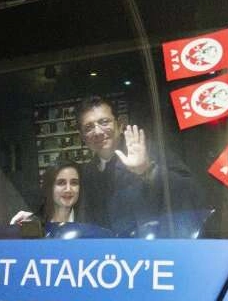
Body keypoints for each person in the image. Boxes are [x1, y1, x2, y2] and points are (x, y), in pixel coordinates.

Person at [76, 95, 197, 236]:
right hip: (108, 248)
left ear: (120, 124)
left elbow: (189, 189)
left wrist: (147, 170)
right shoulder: (87, 172)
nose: (97, 132)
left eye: (104, 122)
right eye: (88, 127)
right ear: (82, 137)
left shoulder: (148, 151)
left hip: (152, 243)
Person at [10, 160, 83, 224]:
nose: (68, 189)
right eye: (61, 183)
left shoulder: (87, 222)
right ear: (49, 187)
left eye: (74, 183)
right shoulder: (32, 222)